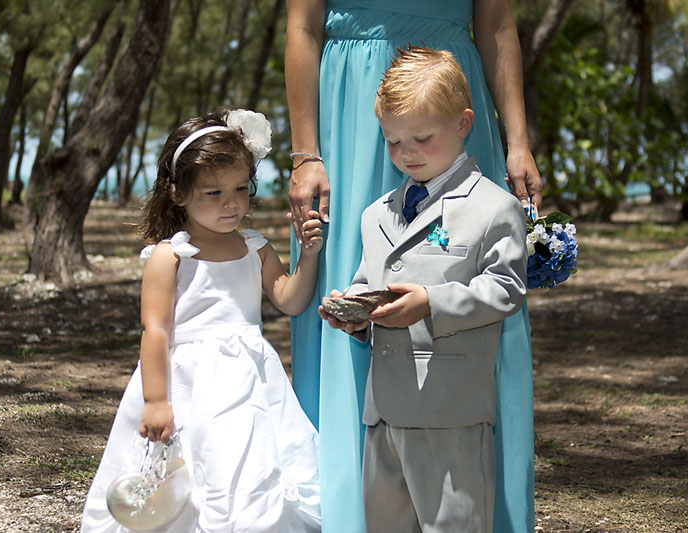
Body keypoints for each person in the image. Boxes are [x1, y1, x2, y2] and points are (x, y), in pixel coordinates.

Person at [285, 1, 540, 531]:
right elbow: (302, 25)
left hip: (448, 82)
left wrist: (518, 141)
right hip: (352, 101)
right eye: (399, 145)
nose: (406, 153)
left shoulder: (487, 195)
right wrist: (305, 153)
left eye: (415, 144)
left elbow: (497, 24)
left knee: (463, 255)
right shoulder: (376, 206)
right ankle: (349, 506)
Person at [81, 108, 323, 532]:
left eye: (241, 189)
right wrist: (156, 400)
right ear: (178, 193)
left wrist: (309, 255)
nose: (232, 203)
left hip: (250, 379)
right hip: (186, 380)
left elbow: (289, 299)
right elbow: (155, 330)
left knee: (247, 462)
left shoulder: (255, 248)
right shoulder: (171, 255)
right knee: (185, 470)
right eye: (213, 193)